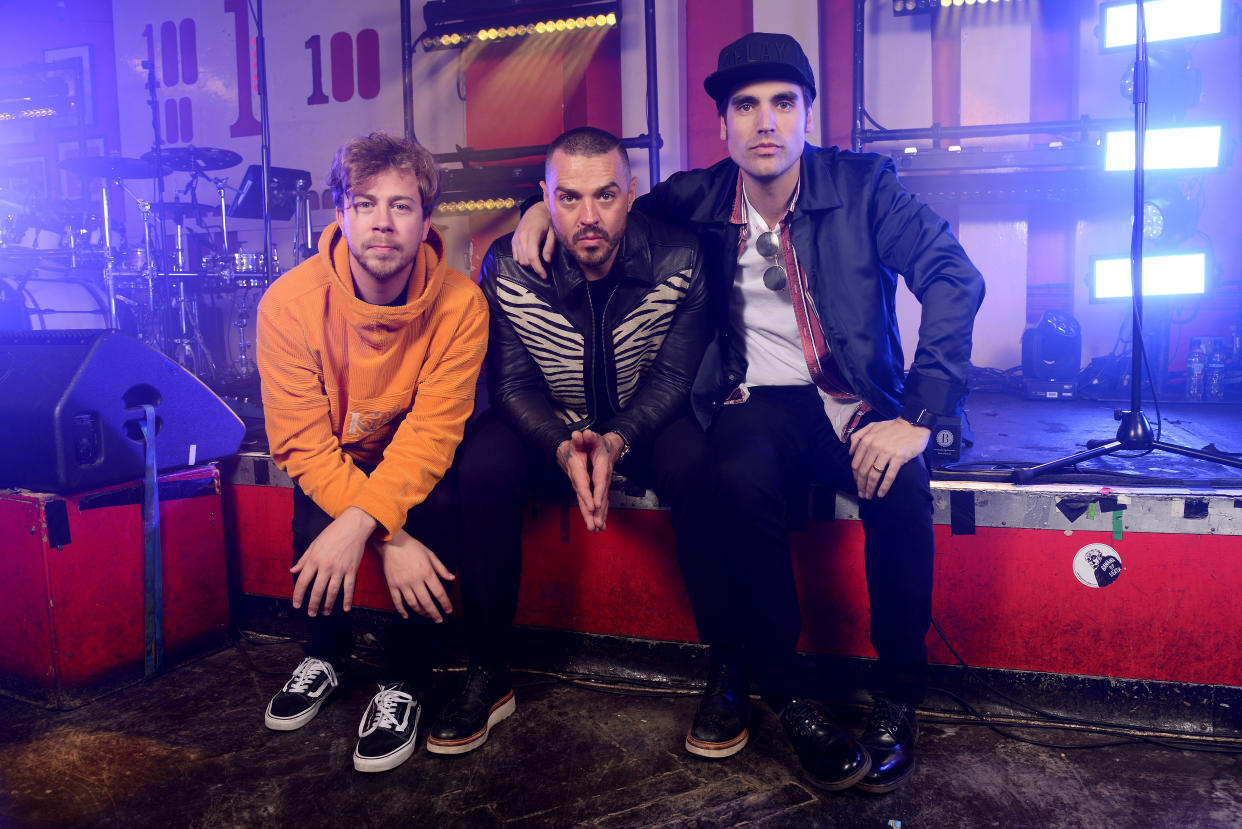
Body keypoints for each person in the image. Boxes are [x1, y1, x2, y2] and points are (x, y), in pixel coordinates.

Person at [513, 34, 985, 793]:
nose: (765, 122)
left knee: (902, 485)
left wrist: (921, 415)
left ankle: (898, 697)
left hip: (854, 399)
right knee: (733, 474)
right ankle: (789, 692)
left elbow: (952, 276)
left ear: (805, 115)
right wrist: (529, 215)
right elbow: (594, 196)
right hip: (751, 399)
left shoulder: (865, 187)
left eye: (781, 103)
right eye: (745, 106)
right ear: (724, 125)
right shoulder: (694, 199)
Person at [425, 126, 711, 756]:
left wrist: (617, 440)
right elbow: (511, 383)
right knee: (480, 464)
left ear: (631, 193)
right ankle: (489, 671)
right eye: (570, 198)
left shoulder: (682, 257)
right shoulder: (507, 264)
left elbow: (672, 379)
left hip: (644, 421)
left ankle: (727, 673)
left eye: (606, 196)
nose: (589, 217)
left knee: (701, 463)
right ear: (545, 199)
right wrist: (559, 443)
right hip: (544, 422)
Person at [256, 132, 488, 773]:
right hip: (337, 452)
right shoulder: (288, 305)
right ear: (341, 214)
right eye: (365, 203)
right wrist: (387, 537)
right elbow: (302, 443)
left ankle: (406, 680)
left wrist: (369, 525)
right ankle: (325, 654)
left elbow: (432, 436)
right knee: (316, 513)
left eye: (402, 206)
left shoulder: (462, 304)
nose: (382, 222)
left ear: (425, 218)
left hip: (414, 459)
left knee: (435, 502)